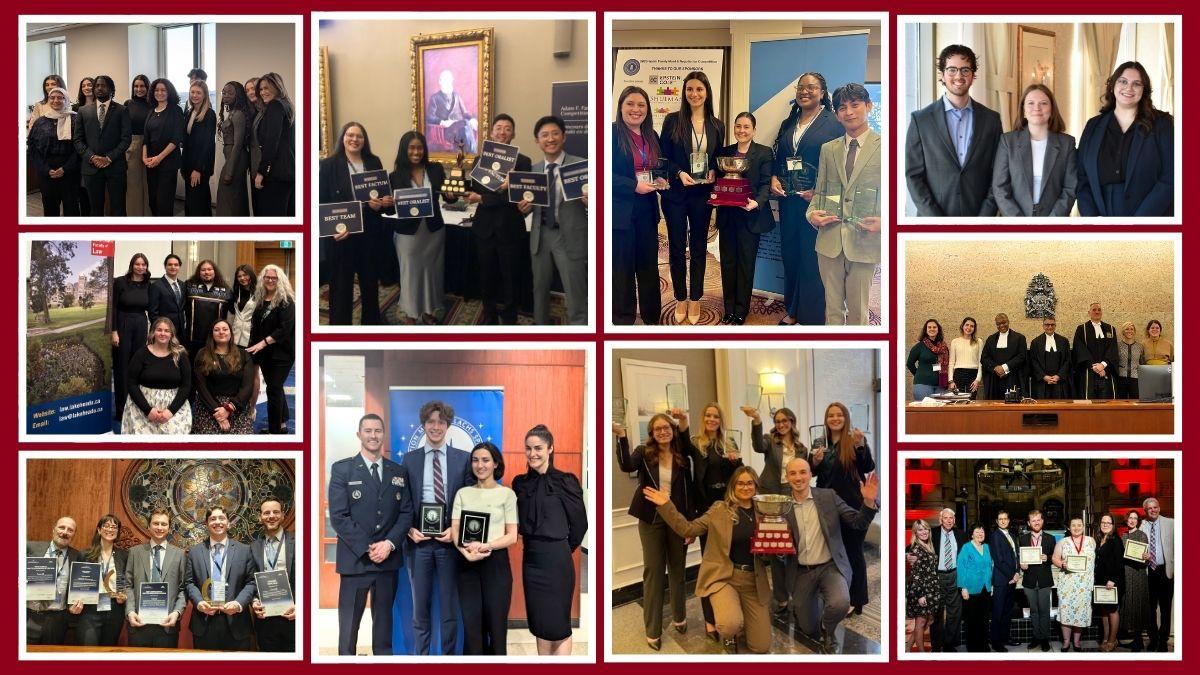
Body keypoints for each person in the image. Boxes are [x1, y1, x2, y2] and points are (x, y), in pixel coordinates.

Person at [644, 466, 769, 653]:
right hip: (725, 578)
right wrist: (666, 505)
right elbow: (688, 529)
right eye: (740, 483)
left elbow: (770, 548)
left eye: (749, 483)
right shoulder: (720, 509)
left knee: (761, 645)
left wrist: (778, 550)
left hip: (754, 582)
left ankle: (741, 618)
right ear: (733, 486)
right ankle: (731, 632)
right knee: (729, 624)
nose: (745, 487)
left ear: (756, 486)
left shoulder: (764, 512)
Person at [613, 409, 697, 650]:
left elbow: (689, 491)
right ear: (651, 433)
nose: (662, 432)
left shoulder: (682, 456)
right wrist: (621, 435)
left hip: (677, 517)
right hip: (651, 518)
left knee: (678, 570)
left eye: (666, 427)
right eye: (657, 429)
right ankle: (652, 629)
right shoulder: (643, 453)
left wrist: (690, 525)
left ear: (672, 430)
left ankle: (680, 617)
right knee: (654, 572)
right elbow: (626, 464)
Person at [329, 414, 410, 655]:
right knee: (348, 629)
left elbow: (406, 513)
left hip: (387, 561)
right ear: (359, 434)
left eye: (378, 431)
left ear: (383, 434)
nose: (373, 435)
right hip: (355, 561)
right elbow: (339, 517)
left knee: (384, 629)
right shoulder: (343, 469)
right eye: (368, 431)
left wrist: (389, 544)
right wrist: (368, 547)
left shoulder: (398, 471)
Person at [783, 457, 879, 653]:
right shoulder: (782, 505)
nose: (798, 477)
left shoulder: (828, 496)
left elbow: (857, 522)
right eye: (793, 473)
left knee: (840, 603)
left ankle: (828, 629)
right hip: (801, 570)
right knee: (808, 627)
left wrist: (868, 502)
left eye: (803, 472)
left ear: (811, 474)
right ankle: (816, 601)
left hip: (830, 566)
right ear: (787, 477)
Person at [770, 72, 844, 325]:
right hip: (789, 201)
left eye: (811, 87)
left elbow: (840, 167)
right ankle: (792, 309)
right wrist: (774, 178)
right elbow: (779, 157)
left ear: (822, 92)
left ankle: (812, 318)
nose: (805, 91)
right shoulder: (789, 123)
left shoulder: (834, 124)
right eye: (801, 87)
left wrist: (820, 193)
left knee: (813, 259)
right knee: (791, 254)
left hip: (817, 204)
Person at [807, 83, 882, 325]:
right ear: (837, 115)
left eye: (855, 105)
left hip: (864, 241)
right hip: (829, 241)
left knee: (859, 313)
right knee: (833, 310)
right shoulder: (828, 149)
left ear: (868, 106)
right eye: (842, 107)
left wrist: (886, 221)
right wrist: (811, 214)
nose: (849, 112)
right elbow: (821, 190)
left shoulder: (887, 147)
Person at [401, 400, 471, 655]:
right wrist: (409, 529)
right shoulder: (410, 459)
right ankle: (422, 659)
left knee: (449, 609)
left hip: (449, 543)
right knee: (420, 608)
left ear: (448, 425)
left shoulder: (463, 459)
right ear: (423, 425)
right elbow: (404, 501)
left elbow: (469, 500)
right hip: (418, 544)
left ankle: (448, 659)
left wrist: (457, 530)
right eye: (431, 421)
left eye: (441, 422)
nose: (436, 426)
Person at [513, 425, 587, 655]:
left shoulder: (566, 481)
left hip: (557, 561)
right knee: (540, 623)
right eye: (528, 448)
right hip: (531, 560)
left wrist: (561, 549)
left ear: (550, 449)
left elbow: (580, 525)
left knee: (559, 625)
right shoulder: (520, 483)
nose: (532, 453)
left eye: (538, 448)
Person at [904, 44, 1002, 217]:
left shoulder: (991, 120)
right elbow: (914, 176)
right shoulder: (921, 120)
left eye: (965, 70)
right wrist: (937, 223)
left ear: (972, 75)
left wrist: (984, 219)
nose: (958, 76)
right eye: (952, 70)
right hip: (933, 221)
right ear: (942, 74)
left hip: (979, 218)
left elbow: (998, 174)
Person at [659, 71, 723, 323]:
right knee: (676, 247)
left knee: (698, 247)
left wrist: (713, 170)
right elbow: (663, 157)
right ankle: (679, 297)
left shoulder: (716, 125)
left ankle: (695, 298)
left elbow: (717, 157)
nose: (694, 94)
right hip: (676, 193)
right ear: (684, 92)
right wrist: (678, 173)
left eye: (699, 89)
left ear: (707, 92)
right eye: (690, 89)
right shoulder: (672, 121)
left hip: (701, 195)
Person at [1077, 61, 1173, 217]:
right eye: (1123, 81)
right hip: (1101, 215)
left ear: (1144, 90)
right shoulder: (1093, 125)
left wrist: (1139, 222)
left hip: (1150, 214)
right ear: (1112, 86)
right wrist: (1092, 218)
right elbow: (1082, 178)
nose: (1129, 88)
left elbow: (1171, 177)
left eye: (1137, 84)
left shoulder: (1162, 124)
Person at [451, 442, 518, 655]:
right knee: (472, 628)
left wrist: (487, 545)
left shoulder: (507, 494)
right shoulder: (463, 493)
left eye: (486, 460)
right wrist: (465, 552)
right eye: (475, 460)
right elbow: (455, 529)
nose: (480, 465)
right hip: (467, 565)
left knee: (496, 627)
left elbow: (512, 536)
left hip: (496, 565)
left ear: (496, 463)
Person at [465, 114, 532, 325]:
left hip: (511, 229)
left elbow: (516, 198)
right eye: (499, 128)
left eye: (507, 128)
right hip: (484, 229)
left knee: (511, 277)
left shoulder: (523, 162)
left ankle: (510, 316)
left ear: (514, 134)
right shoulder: (480, 160)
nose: (502, 132)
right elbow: (477, 189)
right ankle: (489, 314)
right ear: (491, 133)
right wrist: (499, 190)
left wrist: (487, 197)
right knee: (486, 276)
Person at [320, 121, 389, 325]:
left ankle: (371, 324)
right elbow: (321, 202)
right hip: (342, 236)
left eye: (359, 136)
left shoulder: (373, 161)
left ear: (364, 140)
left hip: (370, 234)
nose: (354, 139)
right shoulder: (329, 165)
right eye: (350, 135)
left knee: (370, 283)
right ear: (343, 138)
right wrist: (332, 229)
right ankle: (340, 329)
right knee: (341, 288)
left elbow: (382, 196)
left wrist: (381, 204)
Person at [743, 404, 808, 616]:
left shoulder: (801, 449)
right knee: (775, 548)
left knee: (793, 546)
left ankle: (797, 593)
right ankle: (781, 597)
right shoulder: (770, 441)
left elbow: (805, 473)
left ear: (792, 422)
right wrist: (756, 420)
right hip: (770, 500)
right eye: (777, 421)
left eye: (784, 421)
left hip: (792, 498)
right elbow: (757, 446)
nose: (781, 425)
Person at [812, 402, 875, 616]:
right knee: (834, 553)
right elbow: (812, 472)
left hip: (851, 505)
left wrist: (861, 445)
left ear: (846, 418)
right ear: (826, 419)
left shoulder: (854, 440)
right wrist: (814, 462)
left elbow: (868, 466)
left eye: (839, 415)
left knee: (853, 552)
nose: (835, 418)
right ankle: (838, 594)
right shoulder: (820, 442)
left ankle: (856, 599)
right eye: (831, 415)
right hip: (826, 504)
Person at [387, 130, 455, 324]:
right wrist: (387, 202)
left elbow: (448, 196)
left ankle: (428, 311)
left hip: (433, 231)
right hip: (408, 234)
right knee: (410, 274)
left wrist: (451, 195)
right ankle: (410, 313)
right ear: (404, 150)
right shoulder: (394, 176)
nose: (416, 152)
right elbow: (391, 210)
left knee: (432, 273)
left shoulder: (436, 169)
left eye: (420, 148)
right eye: (412, 148)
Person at [526, 115, 587, 326]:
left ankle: (580, 330)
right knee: (539, 288)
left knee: (575, 291)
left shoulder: (581, 166)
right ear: (537, 140)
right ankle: (541, 328)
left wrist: (591, 201)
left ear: (564, 137)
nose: (550, 139)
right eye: (544, 135)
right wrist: (524, 208)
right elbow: (529, 205)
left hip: (569, 236)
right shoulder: (533, 170)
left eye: (555, 133)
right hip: (540, 235)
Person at [611, 86, 664, 325]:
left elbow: (656, 166)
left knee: (648, 266)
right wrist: (634, 185)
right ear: (621, 107)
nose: (636, 109)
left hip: (647, 210)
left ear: (647, 109)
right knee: (622, 269)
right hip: (621, 212)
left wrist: (660, 179)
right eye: (630, 104)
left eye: (641, 105)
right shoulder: (611, 134)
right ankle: (623, 319)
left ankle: (652, 317)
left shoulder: (651, 135)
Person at [714, 112, 772, 325]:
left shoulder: (764, 153)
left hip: (750, 217)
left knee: (746, 265)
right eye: (738, 126)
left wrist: (757, 202)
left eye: (746, 127)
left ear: (754, 130)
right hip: (728, 216)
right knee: (728, 263)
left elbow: (766, 183)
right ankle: (729, 308)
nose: (742, 130)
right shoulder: (725, 152)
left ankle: (741, 310)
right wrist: (716, 195)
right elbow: (719, 180)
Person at [690, 403, 743, 638]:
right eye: (708, 415)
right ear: (703, 418)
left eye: (716, 416)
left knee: (732, 559)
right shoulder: (695, 443)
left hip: (728, 508)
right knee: (710, 564)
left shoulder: (729, 443)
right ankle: (710, 620)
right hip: (706, 509)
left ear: (721, 420)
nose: (712, 419)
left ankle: (732, 612)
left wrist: (735, 461)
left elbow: (740, 474)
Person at [991, 84, 1078, 216]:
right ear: (1023, 110)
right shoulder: (1008, 142)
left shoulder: (1067, 143)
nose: (1037, 108)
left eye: (1043, 103)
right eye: (1031, 103)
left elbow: (1070, 188)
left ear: (1052, 109)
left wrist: (1052, 222)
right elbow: (1000, 187)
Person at [185, 507, 256, 650]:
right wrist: (199, 603)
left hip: (236, 622)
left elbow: (251, 582)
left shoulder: (244, 550)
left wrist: (238, 603)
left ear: (228, 523)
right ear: (206, 524)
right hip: (204, 621)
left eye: (222, 518)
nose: (217, 522)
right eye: (213, 519)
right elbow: (189, 583)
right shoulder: (194, 552)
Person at [124, 510, 186, 648]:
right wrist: (130, 611)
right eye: (156, 523)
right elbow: (128, 585)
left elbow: (183, 589)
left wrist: (177, 613)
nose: (159, 527)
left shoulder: (179, 554)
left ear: (169, 528)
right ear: (148, 526)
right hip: (138, 623)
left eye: (163, 524)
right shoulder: (135, 552)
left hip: (167, 625)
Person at [121, 317, 192, 435]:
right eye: (159, 330)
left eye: (166, 331)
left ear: (172, 334)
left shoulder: (180, 355)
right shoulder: (141, 354)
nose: (162, 333)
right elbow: (131, 383)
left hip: (173, 407)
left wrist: (170, 411)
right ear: (153, 332)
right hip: (142, 407)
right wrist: (148, 410)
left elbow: (186, 386)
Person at [73, 75, 130, 217]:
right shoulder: (83, 111)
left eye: (103, 85)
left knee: (118, 208)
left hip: (115, 167)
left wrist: (108, 158)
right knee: (95, 209)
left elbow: (126, 139)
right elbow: (77, 140)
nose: (99, 88)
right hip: (91, 167)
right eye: (97, 85)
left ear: (111, 89)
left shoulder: (122, 110)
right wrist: (92, 157)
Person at [248, 265, 295, 434]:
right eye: (267, 277)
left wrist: (262, 343)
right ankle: (281, 424)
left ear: (280, 280)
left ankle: (274, 432)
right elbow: (256, 326)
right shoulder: (261, 299)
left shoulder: (286, 301)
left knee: (273, 389)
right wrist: (253, 346)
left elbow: (284, 329)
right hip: (264, 353)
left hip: (282, 354)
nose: (270, 280)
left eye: (274, 278)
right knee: (276, 386)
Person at [193, 320, 256, 434]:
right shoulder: (202, 354)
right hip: (209, 406)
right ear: (212, 334)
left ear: (231, 333)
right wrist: (218, 413)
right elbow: (201, 386)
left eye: (225, 329)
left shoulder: (243, 355)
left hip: (236, 406)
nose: (221, 332)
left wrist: (229, 408)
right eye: (217, 330)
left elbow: (247, 387)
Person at [73, 514, 129, 646]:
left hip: (115, 609)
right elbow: (77, 583)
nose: (110, 529)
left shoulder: (124, 555)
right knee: (88, 649)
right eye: (106, 526)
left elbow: (125, 579)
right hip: (90, 609)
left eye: (114, 527)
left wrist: (123, 595)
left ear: (117, 532)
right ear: (99, 530)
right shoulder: (85, 555)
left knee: (108, 650)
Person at [249, 498, 296, 652]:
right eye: (266, 513)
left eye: (276, 512)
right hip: (265, 618)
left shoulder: (298, 541)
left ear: (282, 515)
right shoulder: (254, 547)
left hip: (293, 617)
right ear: (260, 517)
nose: (271, 516)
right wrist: (254, 601)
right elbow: (250, 579)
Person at [26, 517, 80, 645]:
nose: (65, 532)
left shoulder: (78, 556)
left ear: (73, 534)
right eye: (61, 527)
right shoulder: (30, 547)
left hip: (57, 621)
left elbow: (80, 587)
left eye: (70, 530)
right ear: (53, 529)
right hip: (28, 617)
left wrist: (79, 602)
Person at [27, 86, 80, 216]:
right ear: (48, 100)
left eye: (60, 98)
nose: (56, 100)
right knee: (50, 209)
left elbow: (80, 147)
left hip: (70, 171)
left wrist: (66, 168)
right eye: (52, 98)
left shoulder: (76, 120)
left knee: (72, 208)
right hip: (46, 171)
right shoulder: (40, 122)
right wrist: (45, 169)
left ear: (66, 99)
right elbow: (33, 148)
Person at [111, 253, 152, 420]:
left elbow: (151, 308)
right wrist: (114, 331)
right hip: (123, 324)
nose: (140, 267)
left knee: (137, 366)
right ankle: (121, 410)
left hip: (141, 324)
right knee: (122, 367)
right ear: (132, 265)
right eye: (137, 264)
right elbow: (113, 307)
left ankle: (136, 407)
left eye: (143, 264)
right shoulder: (120, 282)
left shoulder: (148, 284)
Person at [253, 73, 296, 216]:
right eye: (260, 89)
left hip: (277, 173)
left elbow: (272, 142)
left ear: (277, 87)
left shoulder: (275, 105)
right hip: (288, 171)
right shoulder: (286, 105)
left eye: (266, 88)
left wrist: (261, 172)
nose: (262, 92)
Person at [1051, 516, 1095, 651]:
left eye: (1079, 525)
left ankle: (1076, 642)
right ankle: (1066, 642)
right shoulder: (1063, 542)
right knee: (1066, 612)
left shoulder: (1091, 541)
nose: (1076, 527)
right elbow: (1054, 558)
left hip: (1084, 585)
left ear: (1083, 527)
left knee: (1080, 613)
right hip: (1067, 584)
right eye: (1073, 525)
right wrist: (1061, 564)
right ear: (1069, 528)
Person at [143, 79, 185, 217]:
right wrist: (144, 158)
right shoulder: (151, 111)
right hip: (151, 163)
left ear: (169, 92)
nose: (159, 93)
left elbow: (176, 138)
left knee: (164, 203)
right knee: (153, 201)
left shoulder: (176, 110)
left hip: (168, 163)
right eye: (156, 90)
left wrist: (159, 158)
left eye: (163, 90)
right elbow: (146, 138)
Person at [930, 507, 968, 651]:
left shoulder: (961, 534)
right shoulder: (932, 533)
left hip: (955, 575)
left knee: (955, 612)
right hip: (937, 576)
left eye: (951, 518)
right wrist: (909, 555)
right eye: (945, 518)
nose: (948, 520)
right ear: (941, 519)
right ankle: (936, 645)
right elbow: (915, 545)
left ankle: (949, 644)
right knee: (937, 612)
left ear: (954, 520)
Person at [1018, 509, 1056, 651]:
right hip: (1029, 580)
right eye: (1033, 520)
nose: (1036, 522)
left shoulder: (1050, 538)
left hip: (1045, 580)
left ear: (1042, 521)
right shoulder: (1022, 539)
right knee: (1033, 611)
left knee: (1044, 610)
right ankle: (1036, 637)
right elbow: (1020, 558)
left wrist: (1048, 558)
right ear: (1029, 523)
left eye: (1038, 520)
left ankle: (1044, 639)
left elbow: (1055, 557)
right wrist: (1021, 564)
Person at [1139, 496, 1174, 651]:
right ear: (1145, 511)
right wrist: (1141, 555)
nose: (1153, 510)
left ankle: (1163, 640)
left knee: (1166, 608)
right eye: (1149, 508)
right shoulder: (1142, 526)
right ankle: (1153, 638)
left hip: (1165, 571)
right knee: (1150, 609)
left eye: (1155, 507)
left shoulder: (1171, 523)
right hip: (1148, 572)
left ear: (1159, 508)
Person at [955, 524, 993, 652]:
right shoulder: (966, 547)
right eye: (977, 532)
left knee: (984, 619)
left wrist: (991, 584)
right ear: (972, 534)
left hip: (985, 588)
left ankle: (984, 645)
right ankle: (972, 647)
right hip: (970, 589)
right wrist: (963, 587)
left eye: (982, 531)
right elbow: (961, 568)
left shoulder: (987, 547)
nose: (980, 534)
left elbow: (990, 566)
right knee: (971, 620)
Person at [906, 520, 943, 652]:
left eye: (926, 529)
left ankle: (908, 646)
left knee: (929, 621)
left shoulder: (929, 545)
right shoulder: (916, 548)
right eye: (920, 530)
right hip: (921, 590)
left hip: (931, 588)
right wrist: (920, 595)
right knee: (921, 622)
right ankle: (922, 654)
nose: (924, 532)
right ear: (915, 533)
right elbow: (916, 574)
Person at [216, 81, 252, 216]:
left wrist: (229, 172)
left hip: (236, 160)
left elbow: (238, 144)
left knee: (230, 198)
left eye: (230, 93)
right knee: (232, 198)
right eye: (224, 92)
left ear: (239, 95)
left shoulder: (238, 115)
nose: (226, 95)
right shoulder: (232, 112)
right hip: (232, 158)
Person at [183, 259, 231, 360]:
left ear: (215, 271)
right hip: (192, 339)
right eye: (203, 270)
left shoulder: (226, 289)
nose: (206, 272)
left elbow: (235, 310)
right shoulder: (189, 286)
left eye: (209, 269)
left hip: (216, 339)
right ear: (198, 272)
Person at [181, 80, 215, 216]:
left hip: (200, 166)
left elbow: (207, 144)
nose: (195, 95)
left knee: (198, 202)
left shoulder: (209, 114)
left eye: (198, 93)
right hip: (188, 163)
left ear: (205, 95)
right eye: (192, 92)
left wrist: (198, 169)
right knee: (191, 201)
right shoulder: (189, 112)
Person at [1072, 302, 1119, 399]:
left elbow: (1113, 349)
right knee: (1089, 401)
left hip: (1106, 370)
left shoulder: (1110, 329)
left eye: (1099, 310)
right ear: (1089, 313)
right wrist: (1094, 366)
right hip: (1088, 371)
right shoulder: (1081, 329)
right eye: (1094, 310)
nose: (1097, 312)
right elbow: (1080, 349)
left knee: (1107, 402)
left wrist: (1103, 365)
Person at [987, 511, 1019, 651]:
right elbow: (999, 560)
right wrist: (1012, 575)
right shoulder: (995, 536)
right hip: (1001, 580)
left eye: (1005, 518)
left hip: (1012, 579)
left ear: (1009, 520)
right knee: (998, 612)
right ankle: (996, 642)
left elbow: (1016, 556)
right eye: (1000, 519)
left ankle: (1005, 637)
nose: (1003, 521)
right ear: (997, 521)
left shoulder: (1012, 535)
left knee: (1007, 612)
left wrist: (1017, 572)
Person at [425, 69, 478, 152]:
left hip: (461, 128)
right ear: (440, 81)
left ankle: (471, 153)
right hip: (446, 131)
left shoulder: (456, 95)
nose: (447, 82)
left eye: (449, 80)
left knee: (466, 125)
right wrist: (442, 122)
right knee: (466, 124)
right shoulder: (434, 98)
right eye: (445, 80)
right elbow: (429, 117)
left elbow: (465, 113)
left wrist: (472, 119)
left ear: (452, 81)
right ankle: (473, 154)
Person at [1121, 510, 1152, 652]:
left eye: (1135, 518)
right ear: (1126, 519)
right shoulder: (1124, 535)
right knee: (1130, 605)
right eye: (1130, 518)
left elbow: (1145, 559)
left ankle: (1138, 641)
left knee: (1138, 605)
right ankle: (1136, 640)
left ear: (1138, 521)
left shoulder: (1142, 535)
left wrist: (1147, 558)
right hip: (1126, 573)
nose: (1132, 520)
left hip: (1138, 574)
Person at [1093, 513, 1124, 652]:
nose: (1105, 524)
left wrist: (1113, 580)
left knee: (1112, 611)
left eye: (1108, 522)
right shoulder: (1100, 539)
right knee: (1104, 611)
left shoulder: (1116, 540)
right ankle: (1105, 639)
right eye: (1103, 522)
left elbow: (1119, 563)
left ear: (1113, 525)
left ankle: (1112, 640)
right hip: (1101, 581)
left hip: (1112, 581)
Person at [980, 313, 1027, 400]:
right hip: (994, 379)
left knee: (1012, 404)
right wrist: (995, 368)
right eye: (998, 324)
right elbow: (984, 358)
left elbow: (1021, 356)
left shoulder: (1019, 338)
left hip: (1013, 378)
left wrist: (1004, 368)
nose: (1001, 325)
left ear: (1008, 322)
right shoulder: (991, 339)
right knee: (994, 405)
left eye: (1004, 322)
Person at [124, 75, 152, 216]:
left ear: (147, 87)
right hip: (133, 145)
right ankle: (134, 216)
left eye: (142, 86)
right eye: (136, 86)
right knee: (133, 183)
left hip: (151, 146)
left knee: (148, 182)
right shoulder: (128, 104)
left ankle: (148, 216)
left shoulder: (153, 104)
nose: (139, 89)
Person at [1028, 316, 1072, 398]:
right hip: (1042, 383)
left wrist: (1059, 376)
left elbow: (1068, 360)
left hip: (1059, 382)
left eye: (1052, 325)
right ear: (1043, 326)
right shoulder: (1035, 342)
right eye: (1047, 325)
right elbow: (1033, 362)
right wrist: (1044, 376)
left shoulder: (1064, 341)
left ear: (1055, 325)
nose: (1050, 327)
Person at [908, 319, 948, 400]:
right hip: (923, 385)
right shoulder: (919, 346)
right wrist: (920, 374)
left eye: (934, 327)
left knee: (941, 408)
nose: (932, 329)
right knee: (925, 408)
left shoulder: (943, 347)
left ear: (938, 330)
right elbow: (909, 364)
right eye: (929, 327)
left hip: (940, 385)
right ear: (926, 330)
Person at [148, 253, 187, 338]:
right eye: (170, 264)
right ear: (165, 266)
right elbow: (153, 312)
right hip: (163, 332)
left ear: (179, 267)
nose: (173, 267)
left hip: (180, 331)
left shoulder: (183, 285)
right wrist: (160, 329)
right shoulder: (156, 286)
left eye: (176, 265)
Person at [946, 317, 982, 397]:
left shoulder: (978, 341)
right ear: (962, 326)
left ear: (974, 328)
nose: (969, 328)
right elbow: (951, 363)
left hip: (973, 374)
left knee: (971, 400)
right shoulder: (955, 342)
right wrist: (951, 381)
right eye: (967, 325)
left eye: (972, 326)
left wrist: (978, 379)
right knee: (958, 401)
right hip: (958, 374)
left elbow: (980, 362)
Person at [247, 77, 265, 216]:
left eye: (253, 88)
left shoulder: (267, 110)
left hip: (264, 169)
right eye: (247, 90)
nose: (250, 92)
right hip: (254, 166)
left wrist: (261, 171)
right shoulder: (254, 111)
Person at [227, 265, 257, 347]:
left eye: (245, 275)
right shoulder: (235, 292)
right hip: (236, 332)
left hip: (251, 334)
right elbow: (232, 311)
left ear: (251, 275)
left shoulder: (258, 292)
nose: (242, 278)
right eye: (239, 276)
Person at [1116, 321, 1144, 399]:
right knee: (1121, 402)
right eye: (1127, 329)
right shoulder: (1118, 346)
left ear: (1134, 331)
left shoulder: (1140, 346)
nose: (1129, 331)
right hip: (1121, 378)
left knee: (1135, 401)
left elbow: (1142, 363)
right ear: (1123, 331)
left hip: (1135, 378)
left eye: (1132, 329)